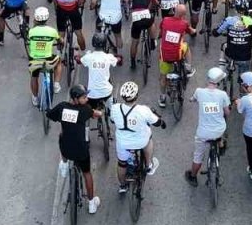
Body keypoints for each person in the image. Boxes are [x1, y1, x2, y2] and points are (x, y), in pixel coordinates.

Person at [48, 86, 102, 214]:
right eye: (84, 97)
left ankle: (64, 164)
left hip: (66, 149)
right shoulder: (85, 110)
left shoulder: (62, 107)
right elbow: (96, 114)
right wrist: (101, 113)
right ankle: (91, 203)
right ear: (75, 99)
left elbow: (50, 114)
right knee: (87, 173)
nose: (87, 98)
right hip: (81, 151)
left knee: (61, 136)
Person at [109, 82, 165, 192]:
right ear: (136, 95)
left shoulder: (115, 108)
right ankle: (149, 165)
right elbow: (157, 122)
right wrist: (162, 123)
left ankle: (123, 186)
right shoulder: (143, 110)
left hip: (123, 144)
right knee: (149, 139)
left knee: (121, 164)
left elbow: (112, 120)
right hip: (141, 141)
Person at [185, 67, 231, 186]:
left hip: (203, 134)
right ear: (219, 81)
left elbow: (192, 99)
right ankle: (220, 144)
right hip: (219, 130)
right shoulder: (223, 95)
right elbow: (227, 113)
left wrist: (192, 100)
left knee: (198, 155)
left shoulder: (199, 92)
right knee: (222, 128)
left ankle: (193, 177)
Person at [158, 4, 198, 107]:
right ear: (184, 15)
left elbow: (161, 31)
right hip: (177, 55)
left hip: (164, 56)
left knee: (163, 77)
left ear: (174, 11)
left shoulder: (165, 20)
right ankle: (188, 68)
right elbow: (191, 31)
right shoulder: (184, 23)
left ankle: (162, 97)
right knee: (186, 47)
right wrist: (194, 31)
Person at [28, 7, 64, 103]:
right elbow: (60, 40)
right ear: (47, 18)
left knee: (34, 77)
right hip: (49, 60)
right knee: (59, 61)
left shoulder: (31, 31)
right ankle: (56, 84)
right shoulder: (52, 31)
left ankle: (35, 98)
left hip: (34, 60)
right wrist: (61, 42)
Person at [80, 34, 120, 111]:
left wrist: (77, 58)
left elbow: (81, 60)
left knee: (91, 111)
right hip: (106, 92)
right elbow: (116, 61)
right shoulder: (108, 57)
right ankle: (112, 113)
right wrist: (119, 59)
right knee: (112, 109)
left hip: (92, 94)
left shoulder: (89, 57)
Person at [127, 0, 158, 69]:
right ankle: (152, 41)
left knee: (134, 42)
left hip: (136, 20)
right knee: (151, 23)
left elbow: (131, 3)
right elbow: (156, 3)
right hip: (146, 18)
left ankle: (132, 62)